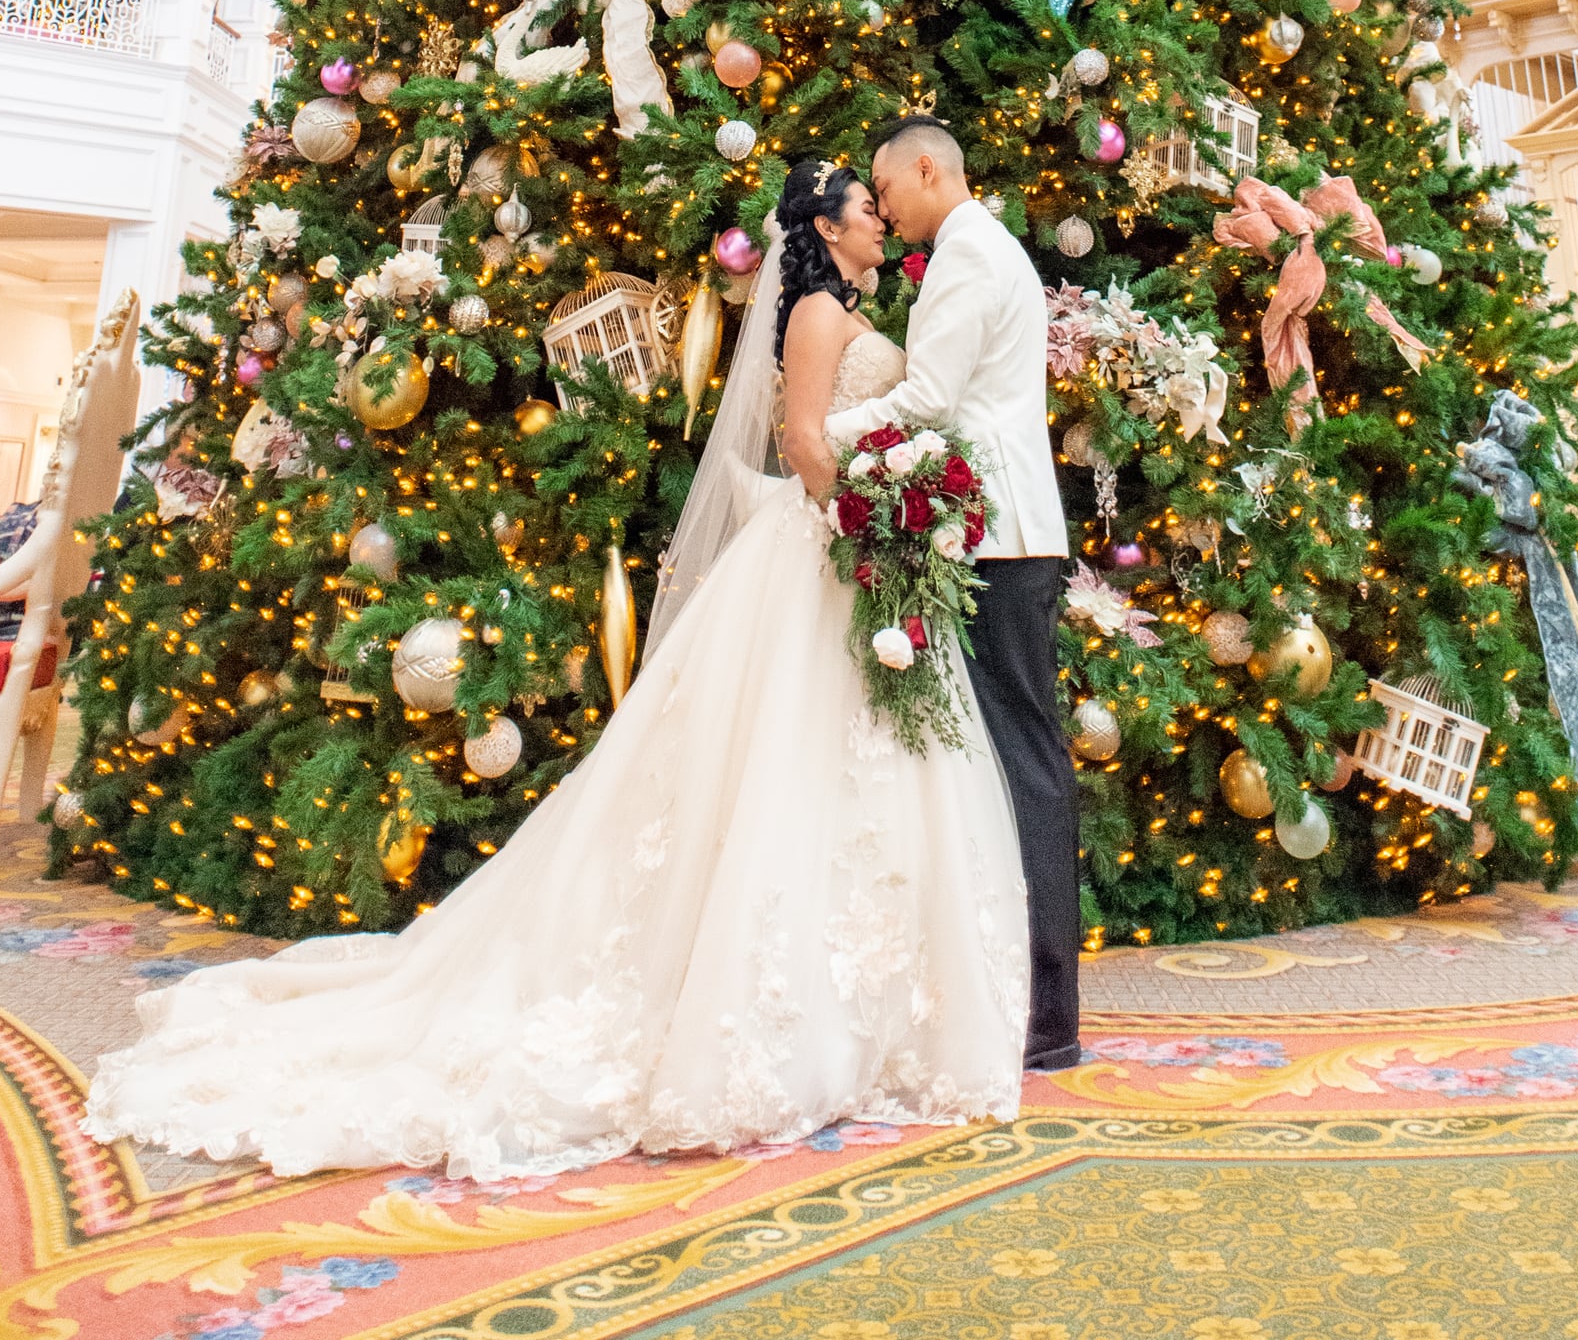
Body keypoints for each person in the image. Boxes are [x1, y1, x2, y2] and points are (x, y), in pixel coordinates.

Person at [82, 160, 1028, 1179]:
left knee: (842, 772)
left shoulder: (841, 308)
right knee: (784, 769)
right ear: (824, 223)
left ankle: (863, 1007)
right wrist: (872, 519)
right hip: (822, 554)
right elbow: (801, 442)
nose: (881, 219)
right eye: (864, 204)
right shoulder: (810, 317)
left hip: (847, 561)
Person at [825, 118, 1080, 1071]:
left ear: (928, 169)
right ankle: (1015, 1000)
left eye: (888, 191)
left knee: (1022, 760)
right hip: (995, 530)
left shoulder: (970, 256)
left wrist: (824, 433)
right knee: (1001, 761)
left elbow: (929, 400)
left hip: (1001, 538)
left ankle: (1046, 1015)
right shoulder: (974, 249)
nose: (884, 211)